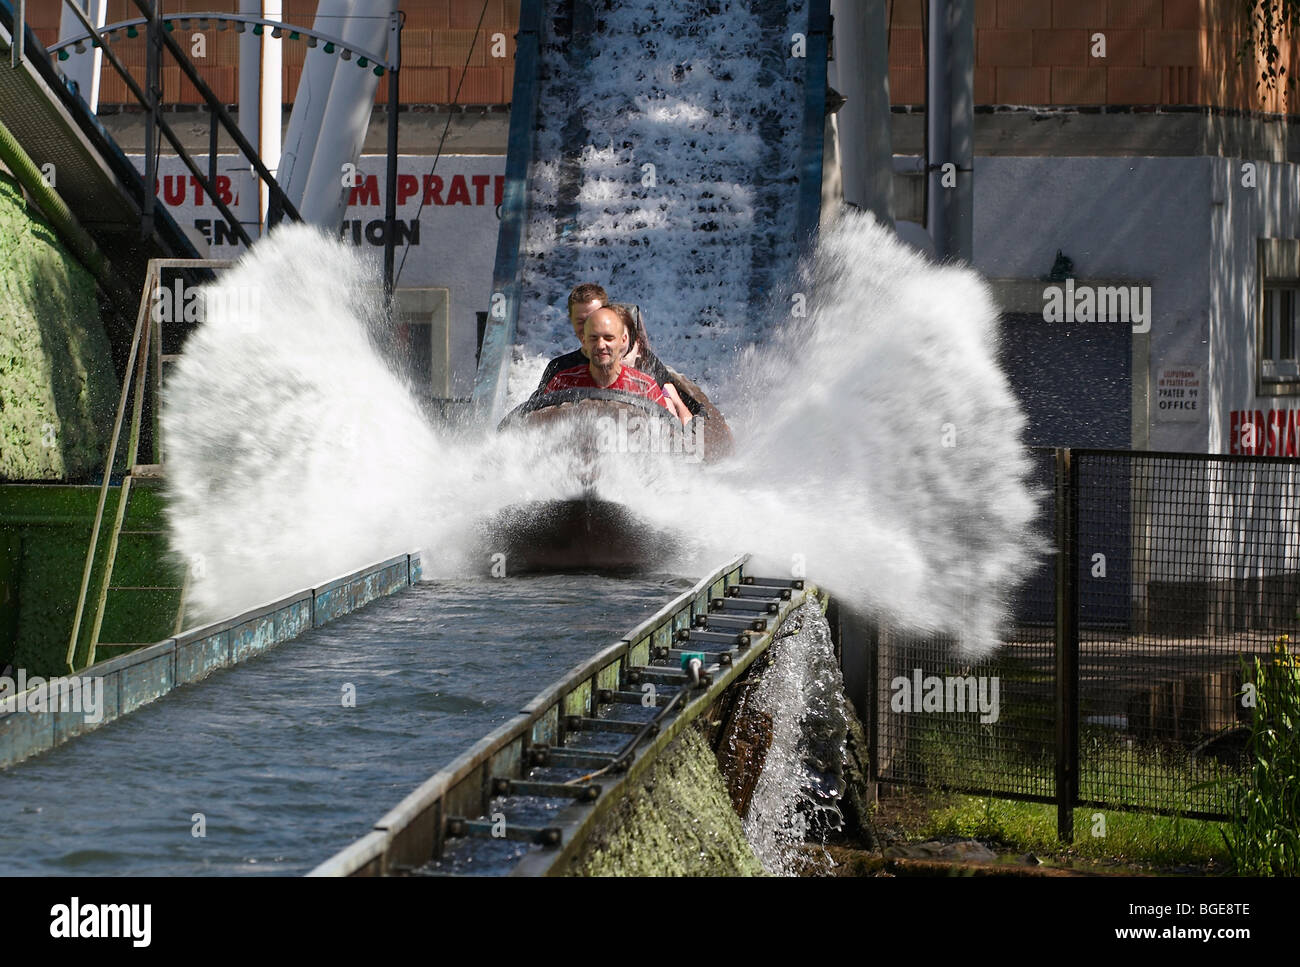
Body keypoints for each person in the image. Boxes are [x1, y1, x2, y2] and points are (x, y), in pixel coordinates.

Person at [543, 305, 693, 424]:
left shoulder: (646, 387)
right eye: (594, 338)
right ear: (584, 341)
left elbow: (667, 439)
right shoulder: (562, 382)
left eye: (608, 338)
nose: (601, 345)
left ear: (623, 340)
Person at [535, 283, 607, 392]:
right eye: (581, 322)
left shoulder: (628, 366)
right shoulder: (558, 369)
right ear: (571, 321)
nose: (587, 328)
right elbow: (536, 408)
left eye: (593, 319)